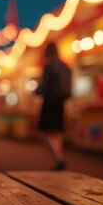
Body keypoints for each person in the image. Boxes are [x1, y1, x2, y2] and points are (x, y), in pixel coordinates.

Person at [36, 42, 71, 170]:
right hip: (61, 101)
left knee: (47, 132)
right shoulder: (65, 66)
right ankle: (59, 157)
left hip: (49, 101)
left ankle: (59, 157)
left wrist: (37, 90)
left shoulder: (49, 66)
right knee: (57, 131)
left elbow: (44, 86)